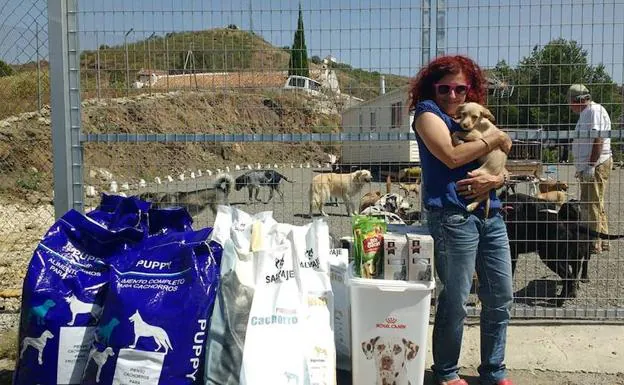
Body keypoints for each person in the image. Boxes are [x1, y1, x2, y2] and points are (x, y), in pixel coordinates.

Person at [408, 55, 514, 385]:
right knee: (455, 299)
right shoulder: (428, 114)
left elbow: (499, 162)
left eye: (460, 89)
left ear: (470, 90)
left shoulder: (473, 117)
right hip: (453, 217)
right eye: (445, 88)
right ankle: (447, 373)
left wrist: (497, 179)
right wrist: (494, 138)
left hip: (490, 214)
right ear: (432, 87)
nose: (452, 96)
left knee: (501, 296)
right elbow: (452, 156)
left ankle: (494, 371)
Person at [569, 84, 613, 253]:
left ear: (577, 100)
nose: (569, 106)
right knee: (592, 202)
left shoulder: (594, 111)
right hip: (589, 165)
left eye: (570, 102)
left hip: (596, 164)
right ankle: (604, 238)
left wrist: (590, 165)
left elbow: (598, 140)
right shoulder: (586, 113)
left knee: (592, 203)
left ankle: (594, 242)